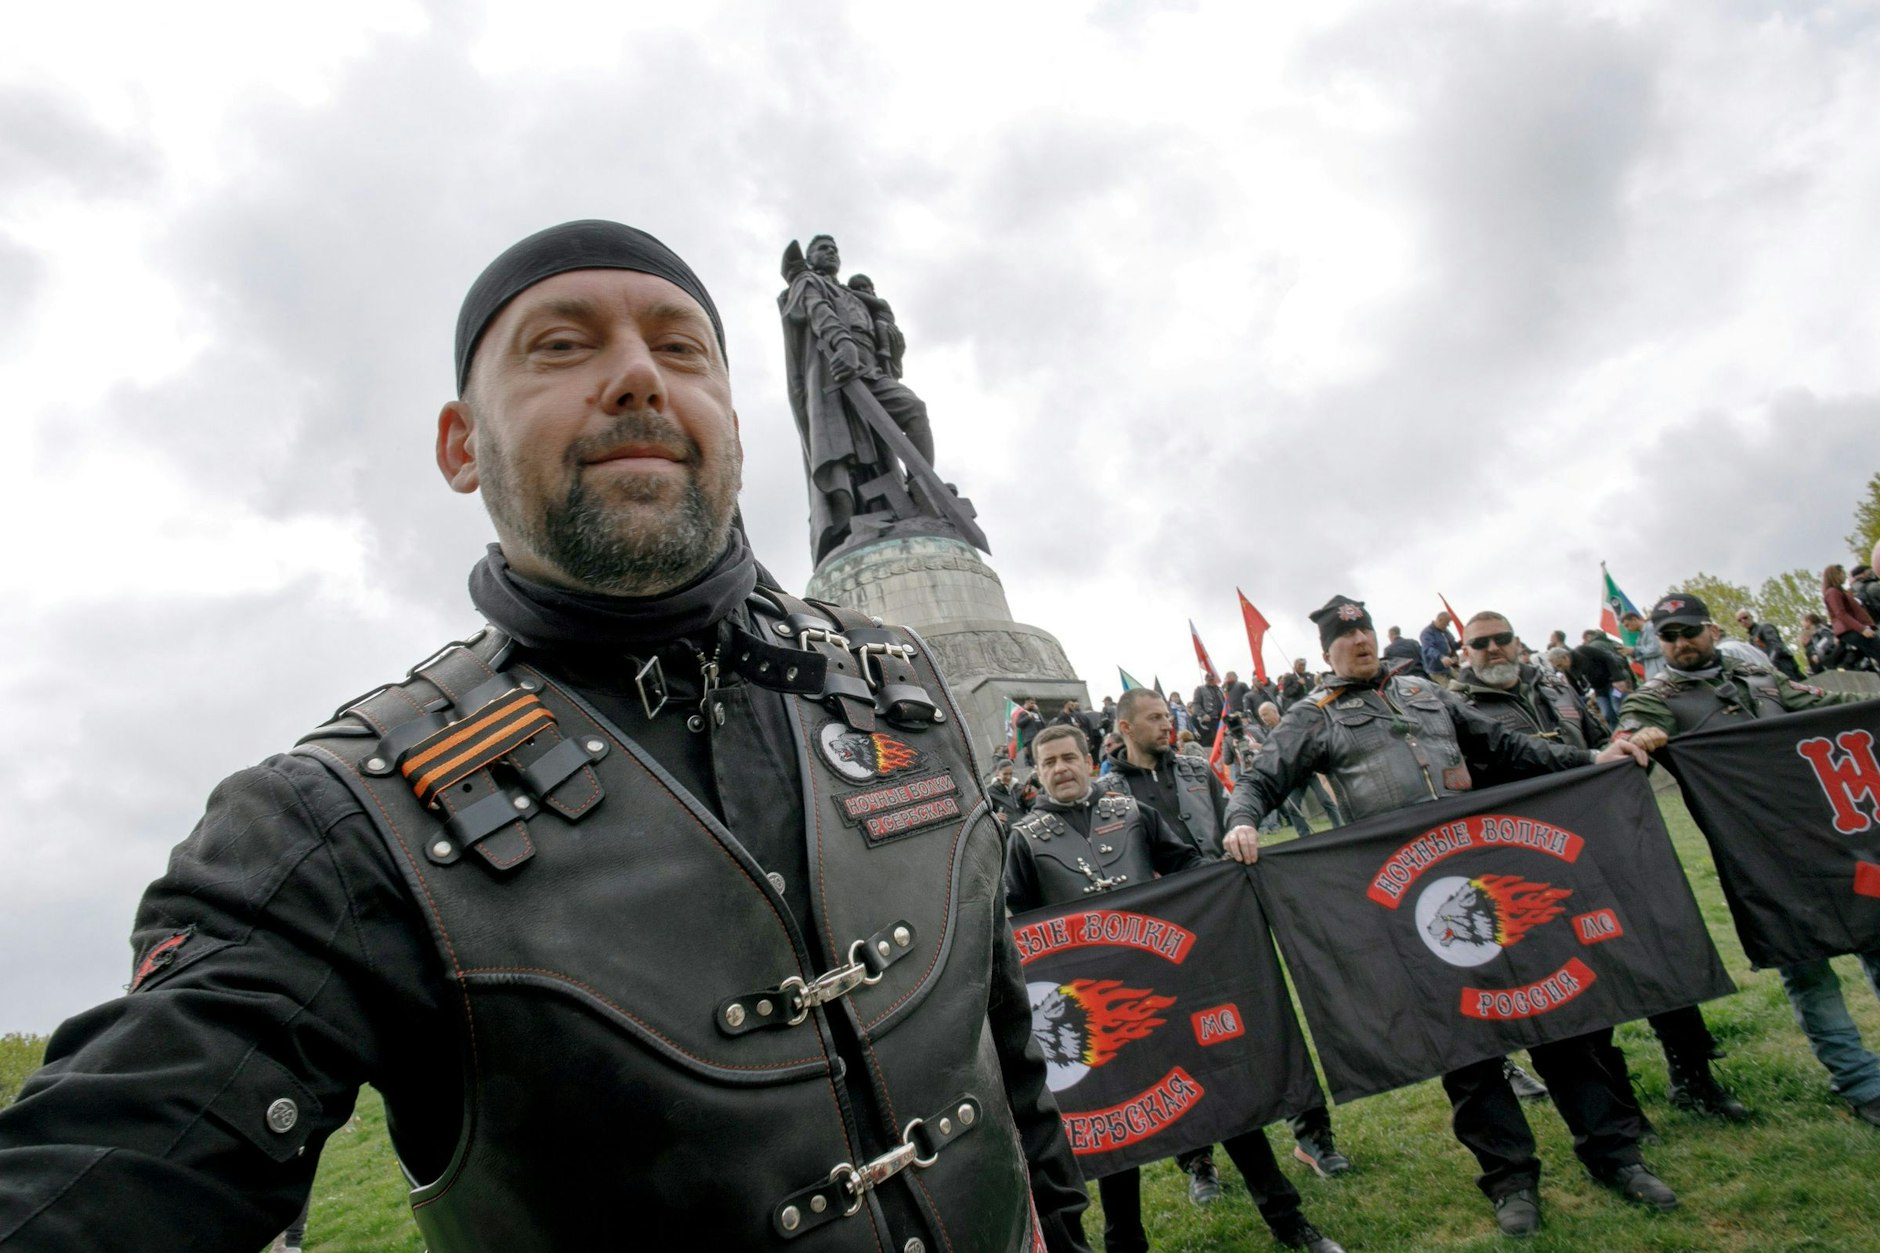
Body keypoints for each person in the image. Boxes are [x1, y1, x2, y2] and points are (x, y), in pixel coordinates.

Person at [0, 221, 1092, 1252]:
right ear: (459, 445)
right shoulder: (340, 820)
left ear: (736, 426)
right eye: (561, 346)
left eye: (680, 347)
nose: (637, 376)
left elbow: (997, 1055)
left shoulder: (893, 687)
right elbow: (112, 1163)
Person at [1220, 595, 1674, 1238]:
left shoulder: (1424, 693)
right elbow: (1259, 780)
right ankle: (1511, 1180)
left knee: (1559, 1014)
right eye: (1347, 638)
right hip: (1412, 900)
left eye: (1366, 632)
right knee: (1465, 1044)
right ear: (1326, 652)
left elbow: (1508, 747)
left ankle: (1615, 1154)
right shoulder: (1311, 716)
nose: (1360, 643)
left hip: (1491, 871)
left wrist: (1588, 760)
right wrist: (1242, 820)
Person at [1004, 725, 1343, 1253]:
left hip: (1164, 985)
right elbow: (1017, 921)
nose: (1060, 769)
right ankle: (1125, 1245)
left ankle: (1288, 1220)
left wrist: (1219, 883)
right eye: (1048, 762)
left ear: (1089, 760)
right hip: (1090, 1010)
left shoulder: (1133, 813)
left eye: (1069, 757)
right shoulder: (1024, 839)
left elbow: (1188, 867)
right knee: (1118, 1130)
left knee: (1220, 1099)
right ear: (1037, 771)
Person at [1451, 613, 1748, 1122]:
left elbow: (1600, 743)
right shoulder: (1458, 709)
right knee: (1582, 980)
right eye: (1481, 643)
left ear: (1518, 642)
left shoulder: (1555, 683)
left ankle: (1695, 1079)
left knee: (1654, 952)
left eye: (1502, 639)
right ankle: (1622, 1109)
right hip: (1534, 856)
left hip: (1602, 839)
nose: (1494, 649)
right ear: (1465, 652)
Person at [1618, 593, 1880, 1131]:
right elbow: (1625, 736)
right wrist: (1633, 739)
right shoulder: (1657, 697)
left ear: (1711, 630)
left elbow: (1822, 707)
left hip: (1829, 837)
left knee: (1879, 939)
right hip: (1761, 858)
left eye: (1688, 630)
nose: (1680, 643)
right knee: (1809, 970)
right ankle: (1860, 1081)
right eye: (1668, 636)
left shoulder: (1757, 677)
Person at [1823, 564, 1880, 671]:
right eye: (1842, 573)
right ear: (1836, 575)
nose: (1845, 576)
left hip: (1852, 630)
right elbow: (1841, 614)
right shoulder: (1832, 592)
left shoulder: (1837, 592)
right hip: (1852, 630)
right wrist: (1862, 629)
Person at [1732, 610, 1803, 680]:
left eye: (1745, 617)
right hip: (1772, 669)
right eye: (1740, 620)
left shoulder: (1765, 627)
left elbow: (1776, 646)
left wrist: (1771, 663)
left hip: (1783, 663)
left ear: (1751, 617)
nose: (1743, 621)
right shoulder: (1751, 639)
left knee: (1796, 686)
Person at [1622, 610, 1664, 681]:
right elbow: (1643, 658)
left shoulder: (1651, 627)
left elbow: (1656, 649)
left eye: (1627, 625)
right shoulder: (1640, 637)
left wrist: (1635, 651)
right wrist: (1632, 654)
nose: (1627, 629)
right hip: (1654, 674)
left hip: (1661, 671)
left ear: (1634, 619)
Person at [1419, 611, 1460, 681]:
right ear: (1440, 620)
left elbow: (1453, 646)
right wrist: (1441, 657)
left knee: (1463, 681)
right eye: (1447, 623)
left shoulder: (1446, 631)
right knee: (1450, 689)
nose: (1448, 625)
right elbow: (1428, 649)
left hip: (1448, 667)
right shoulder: (1426, 632)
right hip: (1435, 670)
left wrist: (1461, 643)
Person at [987, 758, 1027, 829]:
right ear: (998, 773)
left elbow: (1032, 805)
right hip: (1007, 834)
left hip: (1024, 829)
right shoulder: (990, 792)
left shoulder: (1020, 788)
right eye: (1005, 774)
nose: (1008, 777)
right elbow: (986, 815)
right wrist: (994, 817)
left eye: (1010, 774)